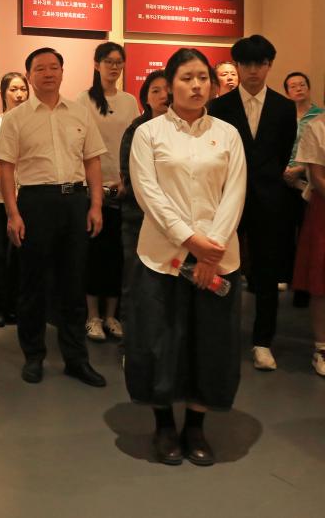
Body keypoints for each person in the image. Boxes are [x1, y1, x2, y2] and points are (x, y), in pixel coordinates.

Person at [127, 48, 246, 466]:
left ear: (212, 85)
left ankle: (195, 425)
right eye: (186, 78)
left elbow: (235, 193)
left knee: (210, 343)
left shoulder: (228, 135)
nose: (196, 86)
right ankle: (164, 425)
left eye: (202, 78)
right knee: (160, 341)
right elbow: (148, 194)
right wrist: (190, 240)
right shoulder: (149, 133)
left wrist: (211, 250)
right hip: (163, 258)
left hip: (218, 257)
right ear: (169, 84)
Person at [0, 47, 107, 388]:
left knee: (74, 283)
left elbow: (92, 160)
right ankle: (33, 356)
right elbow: (6, 168)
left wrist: (96, 205)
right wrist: (12, 213)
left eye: (54, 67)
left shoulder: (80, 112)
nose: (48, 73)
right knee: (33, 284)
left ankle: (76, 359)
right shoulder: (15, 118)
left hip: (74, 202)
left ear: (62, 72)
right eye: (40, 68)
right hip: (35, 202)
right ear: (29, 75)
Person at [209, 34, 297, 371]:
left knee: (266, 272)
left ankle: (263, 341)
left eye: (260, 64)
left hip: (270, 200)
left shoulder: (283, 107)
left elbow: (281, 151)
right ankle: (220, 335)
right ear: (237, 66)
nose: (253, 71)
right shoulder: (220, 107)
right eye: (246, 64)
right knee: (221, 266)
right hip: (226, 198)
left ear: (269, 65)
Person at [77, 43, 140, 342]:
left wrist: (127, 180)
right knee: (93, 255)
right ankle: (92, 316)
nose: (114, 67)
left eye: (119, 62)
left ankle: (112, 315)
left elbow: (135, 144)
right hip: (92, 190)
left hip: (123, 188)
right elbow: (79, 145)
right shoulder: (83, 100)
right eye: (108, 61)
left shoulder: (129, 101)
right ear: (96, 64)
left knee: (118, 256)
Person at [119, 71, 170, 314]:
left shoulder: (181, 128)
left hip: (174, 219)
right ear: (146, 98)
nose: (163, 95)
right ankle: (131, 334)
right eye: (155, 91)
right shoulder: (136, 130)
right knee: (135, 278)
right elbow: (129, 176)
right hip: (138, 216)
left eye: (167, 89)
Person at [0, 72, 29, 327]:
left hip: (28, 200)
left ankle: (16, 307)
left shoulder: (33, 124)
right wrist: (13, 192)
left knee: (21, 257)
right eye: (13, 89)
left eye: (23, 89)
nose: (19, 94)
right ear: (3, 93)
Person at [283, 71, 322, 308]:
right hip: (284, 180)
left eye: (302, 84)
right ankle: (290, 279)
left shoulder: (319, 117)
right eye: (293, 86)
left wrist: (299, 169)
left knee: (307, 235)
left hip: (309, 179)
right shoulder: (284, 115)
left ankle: (304, 289)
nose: (298, 88)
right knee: (287, 233)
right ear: (287, 92)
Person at [292, 115, 325, 376]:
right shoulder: (318, 126)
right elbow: (317, 176)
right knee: (321, 280)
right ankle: (322, 348)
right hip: (324, 208)